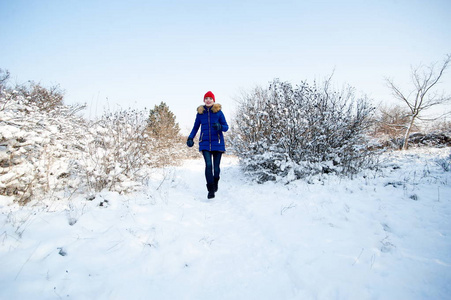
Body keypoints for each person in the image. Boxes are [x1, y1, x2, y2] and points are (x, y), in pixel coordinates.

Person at [187, 91, 229, 199]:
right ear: (204, 100)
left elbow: (226, 127)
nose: (208, 100)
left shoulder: (219, 112)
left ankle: (216, 181)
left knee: (216, 167)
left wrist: (220, 126)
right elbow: (195, 127)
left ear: (213, 100)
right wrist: (190, 137)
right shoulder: (200, 113)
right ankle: (210, 190)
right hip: (205, 143)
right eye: (206, 98)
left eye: (210, 98)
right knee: (208, 165)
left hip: (218, 143)